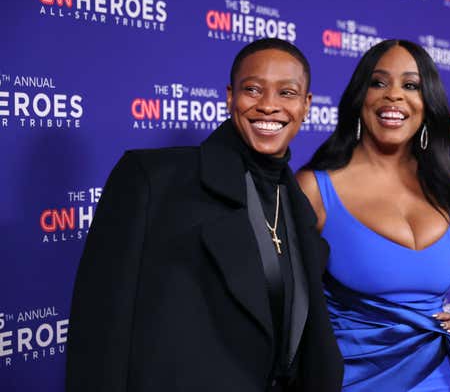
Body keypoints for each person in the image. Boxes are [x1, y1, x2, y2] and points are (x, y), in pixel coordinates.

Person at [66, 38, 343, 392]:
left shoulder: (299, 206)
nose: (269, 106)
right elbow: (101, 330)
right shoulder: (154, 181)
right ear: (231, 96)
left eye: (286, 93)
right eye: (253, 89)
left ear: (306, 105)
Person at [297, 39, 450, 391]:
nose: (394, 96)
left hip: (447, 377)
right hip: (352, 381)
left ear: (427, 103)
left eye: (410, 85)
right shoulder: (314, 188)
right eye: (379, 83)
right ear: (359, 98)